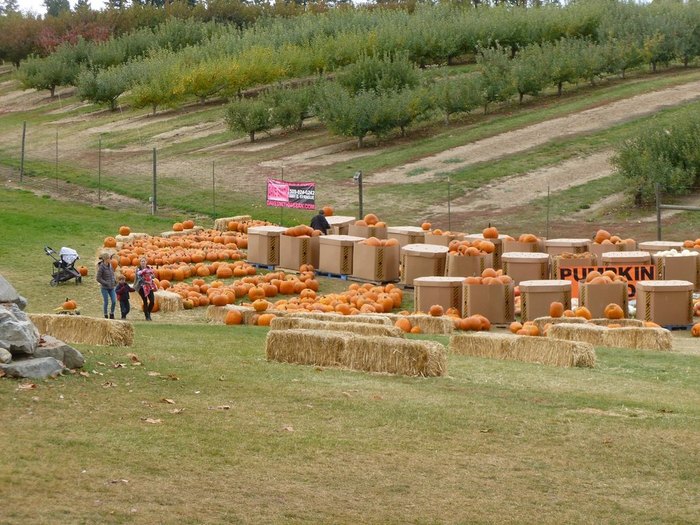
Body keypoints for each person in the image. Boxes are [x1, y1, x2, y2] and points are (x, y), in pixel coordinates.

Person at [96, 252, 117, 319]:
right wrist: (105, 283)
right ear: (105, 259)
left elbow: (112, 274)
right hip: (104, 287)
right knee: (106, 302)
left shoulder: (110, 265)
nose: (110, 260)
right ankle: (105, 314)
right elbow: (98, 278)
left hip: (112, 287)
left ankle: (112, 313)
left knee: (114, 301)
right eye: (109, 258)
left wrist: (114, 281)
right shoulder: (101, 267)